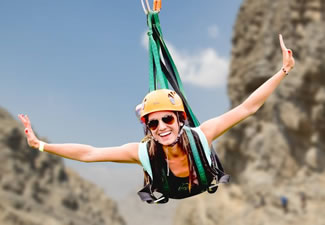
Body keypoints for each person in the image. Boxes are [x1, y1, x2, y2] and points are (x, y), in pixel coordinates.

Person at [18, 34, 295, 203]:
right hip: (170, 188)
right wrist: (41, 145)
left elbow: (247, 108)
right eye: (153, 123)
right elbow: (90, 153)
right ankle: (144, 108)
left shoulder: (202, 136)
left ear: (180, 120)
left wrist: (283, 70)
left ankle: (148, 107)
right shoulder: (142, 153)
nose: (161, 127)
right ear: (148, 128)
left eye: (167, 120)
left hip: (199, 177)